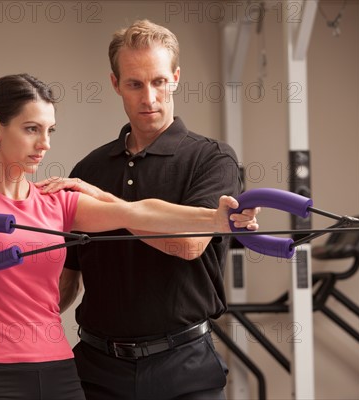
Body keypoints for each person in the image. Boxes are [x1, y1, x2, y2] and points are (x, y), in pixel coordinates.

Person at [0, 73, 257, 400]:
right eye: (31, 129)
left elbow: (135, 212)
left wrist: (216, 218)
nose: (44, 144)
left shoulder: (58, 204)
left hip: (60, 371)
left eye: (49, 130)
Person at [38, 20, 248, 400]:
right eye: (134, 84)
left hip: (185, 369)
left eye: (159, 82)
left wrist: (105, 203)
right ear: (116, 84)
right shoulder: (89, 170)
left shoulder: (212, 159)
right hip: (96, 369)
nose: (149, 97)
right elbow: (67, 279)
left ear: (176, 78)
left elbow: (189, 244)